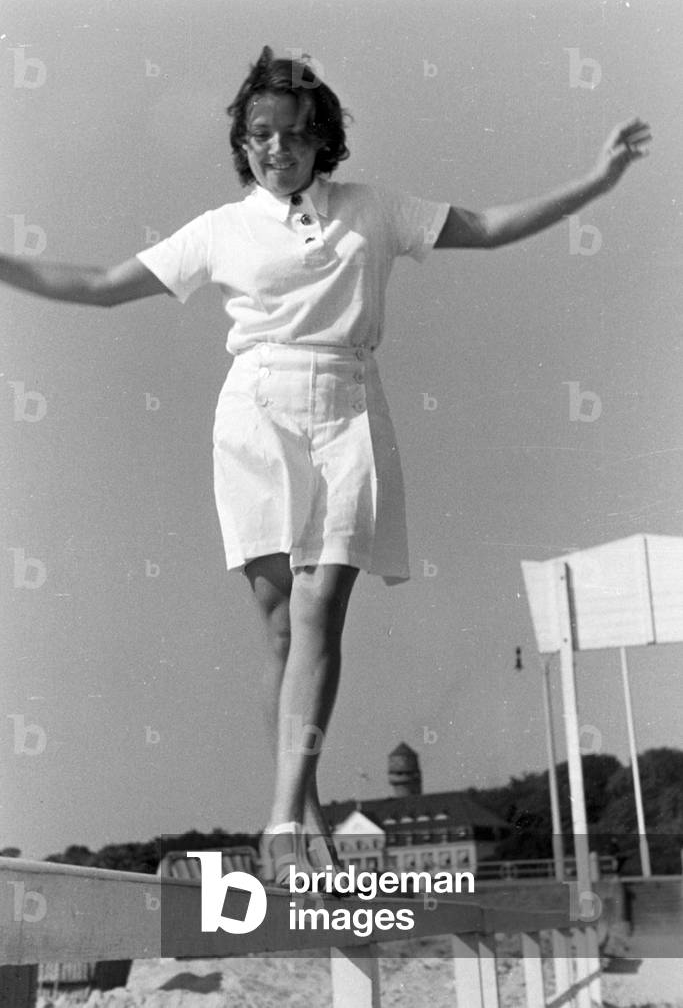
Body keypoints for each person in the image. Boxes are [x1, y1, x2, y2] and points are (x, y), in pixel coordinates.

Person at [0, 46, 651, 888]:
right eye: (261, 134)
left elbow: (488, 227)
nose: (278, 148)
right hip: (255, 412)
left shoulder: (373, 209)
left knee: (320, 605)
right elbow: (98, 283)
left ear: (324, 139)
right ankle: (303, 815)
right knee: (279, 627)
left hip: (347, 405)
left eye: (296, 133)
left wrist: (596, 181)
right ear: (243, 142)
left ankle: (278, 821)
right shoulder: (219, 228)